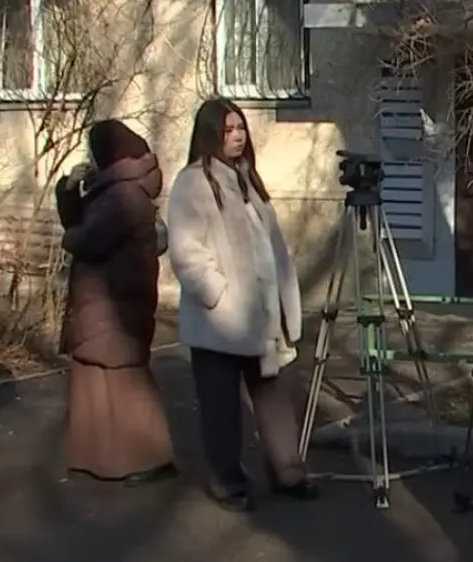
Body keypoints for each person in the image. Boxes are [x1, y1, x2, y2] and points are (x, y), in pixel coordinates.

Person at [167, 98, 318, 512]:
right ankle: (227, 481)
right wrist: (218, 295)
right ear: (210, 134)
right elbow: (186, 252)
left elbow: (271, 246)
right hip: (220, 321)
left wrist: (283, 297)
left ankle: (288, 473)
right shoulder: (193, 183)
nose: (237, 137)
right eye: (228, 130)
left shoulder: (248, 178)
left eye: (241, 128)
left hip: (263, 316)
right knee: (221, 409)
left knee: (274, 399)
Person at [55, 119, 177, 486]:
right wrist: (69, 191)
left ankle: (151, 456)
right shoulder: (110, 191)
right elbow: (79, 223)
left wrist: (70, 239)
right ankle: (104, 458)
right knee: (98, 377)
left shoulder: (123, 196)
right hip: (106, 298)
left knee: (125, 379)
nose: (89, 159)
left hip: (118, 300)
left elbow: (88, 239)